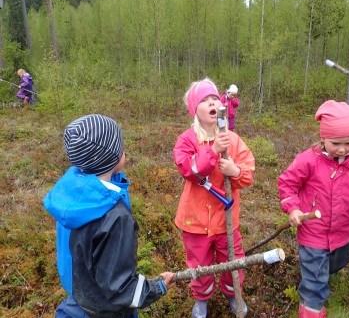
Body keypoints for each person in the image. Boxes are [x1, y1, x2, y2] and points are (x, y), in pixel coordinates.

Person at [43, 114, 174, 318]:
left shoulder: (72, 192)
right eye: (120, 145)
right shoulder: (115, 217)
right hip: (106, 311)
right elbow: (119, 288)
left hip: (79, 298)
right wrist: (157, 287)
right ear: (112, 157)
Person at [278, 100, 349, 318]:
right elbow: (287, 183)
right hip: (313, 233)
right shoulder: (308, 160)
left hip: (342, 235)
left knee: (333, 267)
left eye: (348, 143)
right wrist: (293, 209)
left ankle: (316, 280)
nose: (342, 149)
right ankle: (311, 308)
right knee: (315, 286)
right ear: (323, 138)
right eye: (336, 143)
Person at [173, 78, 255, 318]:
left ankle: (232, 293)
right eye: (204, 100)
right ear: (194, 110)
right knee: (200, 265)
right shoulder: (187, 140)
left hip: (226, 220)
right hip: (194, 221)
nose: (211, 103)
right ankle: (201, 300)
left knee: (233, 260)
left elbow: (248, 175)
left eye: (214, 99)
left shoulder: (233, 139)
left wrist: (235, 171)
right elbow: (189, 169)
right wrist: (213, 151)